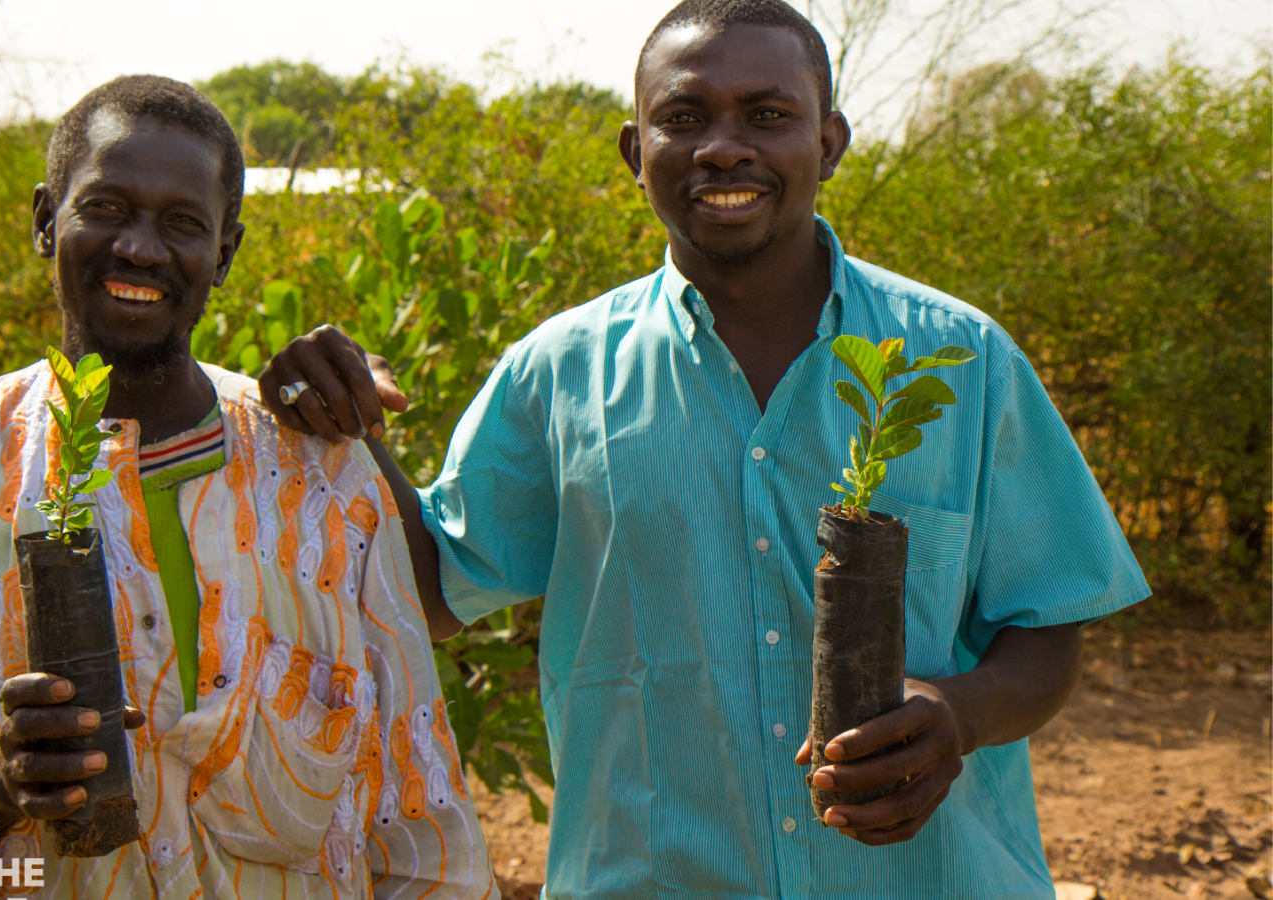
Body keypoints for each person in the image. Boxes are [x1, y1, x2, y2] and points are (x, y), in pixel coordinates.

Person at [260, 1, 1150, 897]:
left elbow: (1045, 630)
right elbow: (430, 593)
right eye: (683, 119)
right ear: (633, 150)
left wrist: (960, 712)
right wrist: (349, 426)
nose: (724, 147)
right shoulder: (558, 375)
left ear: (830, 142)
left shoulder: (960, 359)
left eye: (768, 115)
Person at [0, 75, 496, 899]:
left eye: (182, 223)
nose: (139, 247)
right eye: (105, 208)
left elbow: (418, 811)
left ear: (225, 255)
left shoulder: (322, 478)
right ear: (43, 220)